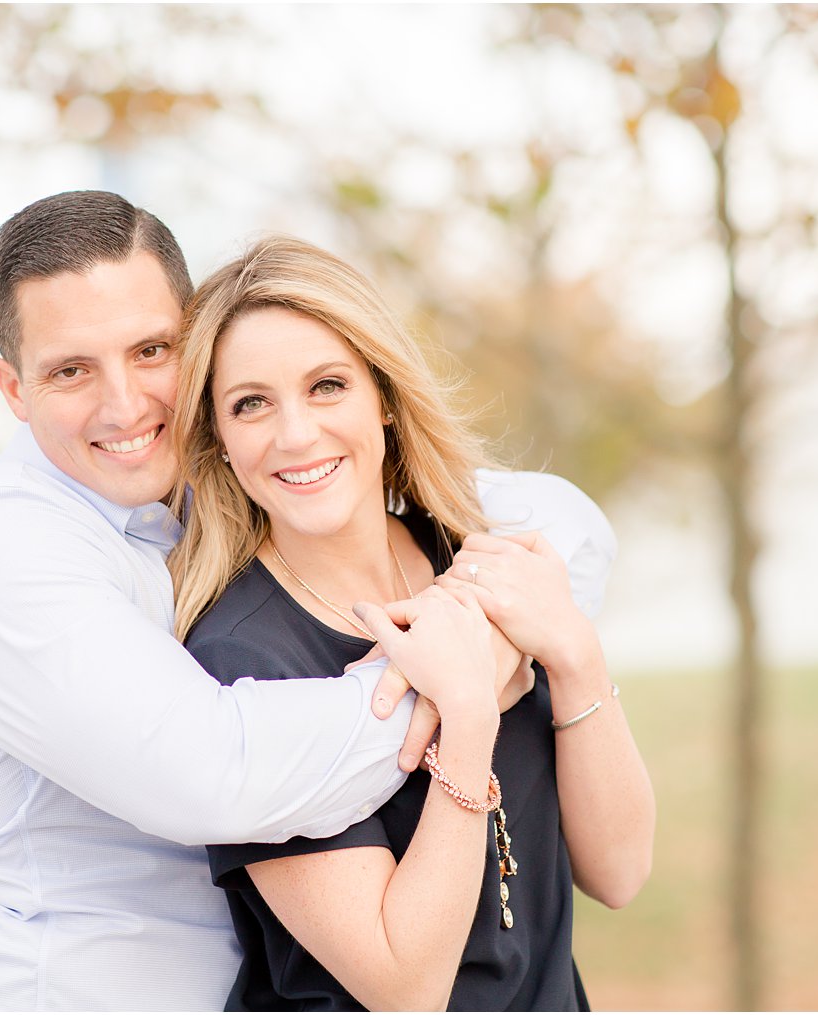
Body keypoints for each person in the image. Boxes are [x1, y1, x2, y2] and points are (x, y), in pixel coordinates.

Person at [0, 191, 621, 1010]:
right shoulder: (3, 549)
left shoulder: (227, 483)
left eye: (152, 351)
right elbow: (219, 776)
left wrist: (484, 629)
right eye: (70, 370)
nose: (125, 404)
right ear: (12, 387)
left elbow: (563, 519)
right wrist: (460, 682)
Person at [171, 235, 656, 1010]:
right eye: (251, 403)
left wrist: (572, 651)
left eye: (327, 386)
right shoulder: (239, 657)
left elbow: (621, 872)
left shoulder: (473, 554)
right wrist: (464, 714)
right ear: (220, 441)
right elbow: (405, 985)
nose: (295, 434)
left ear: (385, 399)